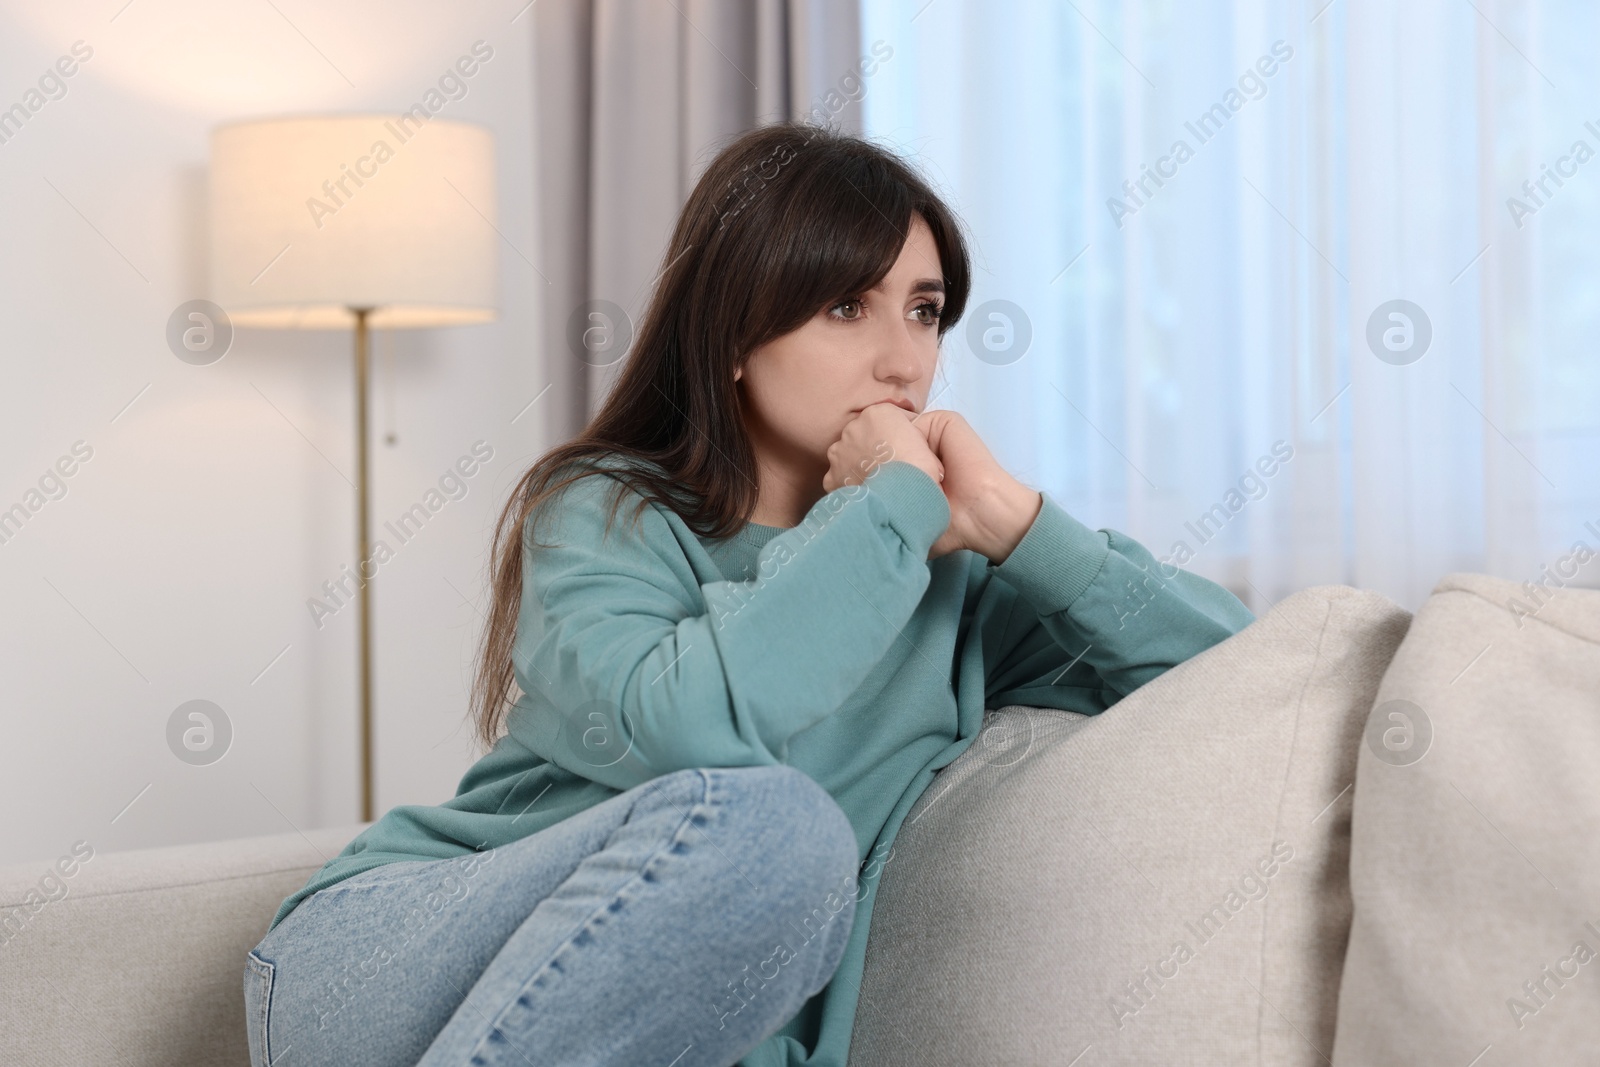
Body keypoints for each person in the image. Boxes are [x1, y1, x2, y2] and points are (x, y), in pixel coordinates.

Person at [242, 119, 1255, 1067]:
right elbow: (696, 728)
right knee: (780, 826)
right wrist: (886, 505)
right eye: (846, 305)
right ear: (734, 334)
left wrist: (1012, 519)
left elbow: (1238, 679)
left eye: (926, 309)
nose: (904, 359)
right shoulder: (603, 513)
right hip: (370, 966)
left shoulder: (947, 576)